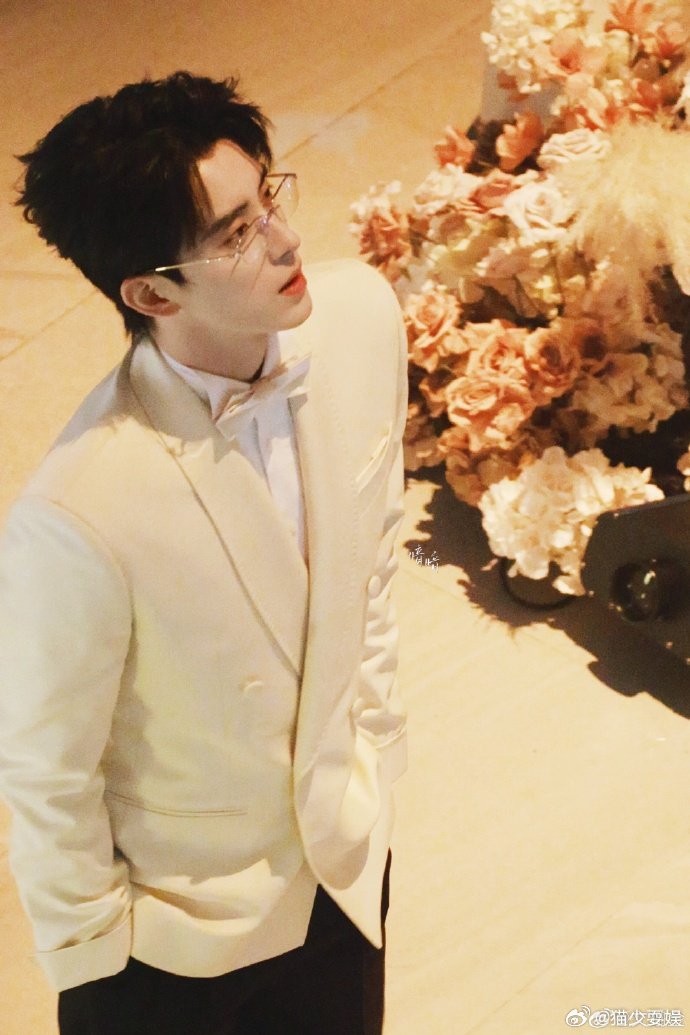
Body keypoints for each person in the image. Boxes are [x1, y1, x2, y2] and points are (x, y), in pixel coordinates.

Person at [0, 71, 408, 1035]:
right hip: (176, 946)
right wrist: (98, 958)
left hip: (346, 872)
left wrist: (374, 763)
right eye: (235, 233)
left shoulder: (360, 320)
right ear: (150, 291)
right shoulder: (79, 509)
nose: (285, 240)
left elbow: (375, 572)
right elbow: (48, 769)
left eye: (269, 197)